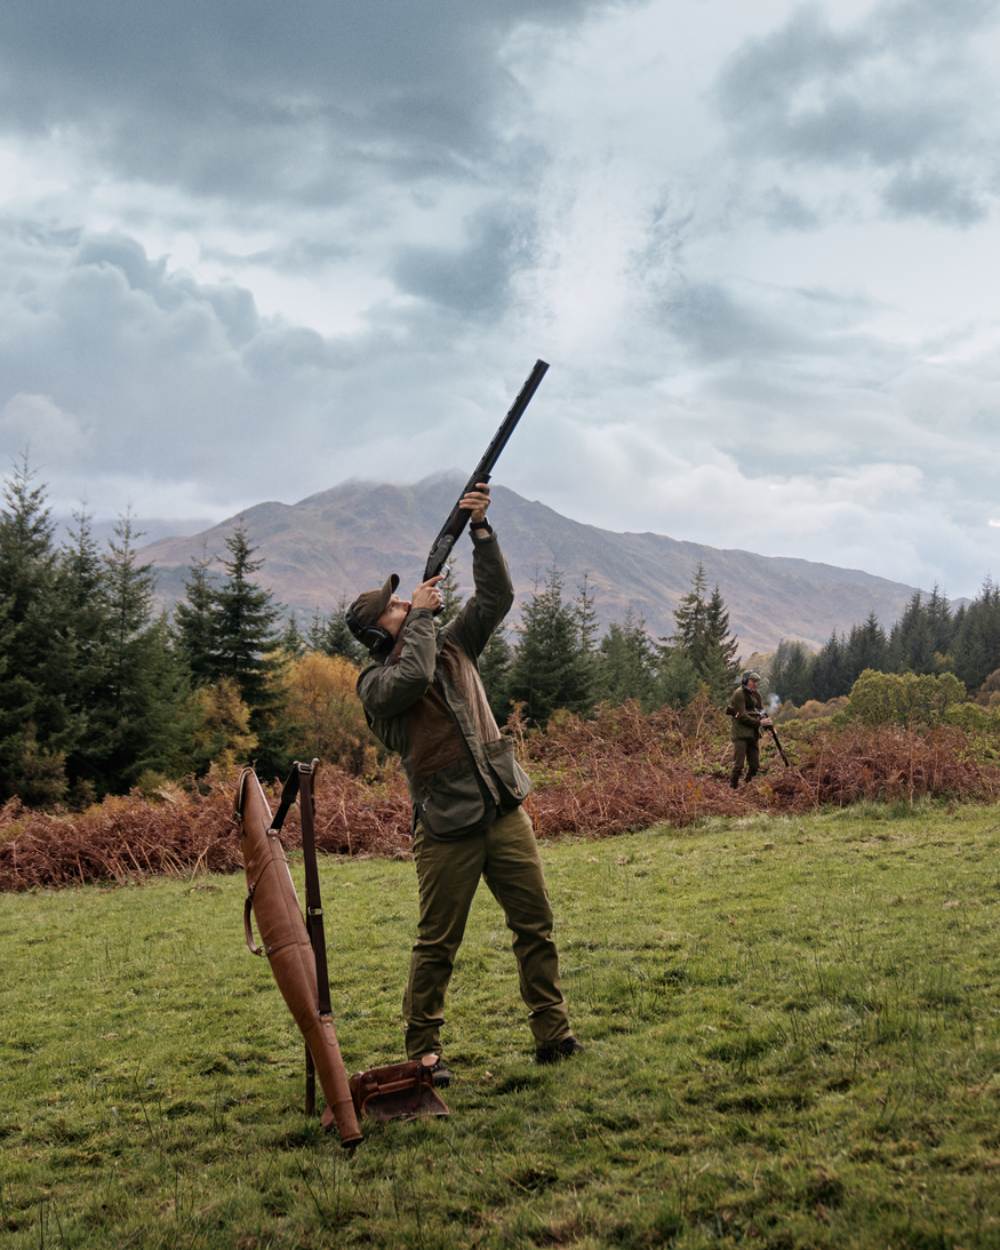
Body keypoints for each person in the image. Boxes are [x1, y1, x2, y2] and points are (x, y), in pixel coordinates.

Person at [346, 483, 580, 1083]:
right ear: (379, 634)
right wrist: (422, 618)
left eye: (405, 603)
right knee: (437, 946)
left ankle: (553, 1035)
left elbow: (496, 597)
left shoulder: (451, 643)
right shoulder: (375, 687)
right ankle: (424, 1053)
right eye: (396, 608)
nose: (409, 604)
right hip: (446, 828)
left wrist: (479, 531)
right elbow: (413, 674)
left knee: (535, 925)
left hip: (503, 810)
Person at [727, 669, 771, 788]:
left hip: (753, 734)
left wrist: (768, 724)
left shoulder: (756, 695)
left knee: (755, 766)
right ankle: (732, 789)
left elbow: (761, 711)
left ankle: (746, 786)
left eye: (756, 681)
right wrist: (760, 722)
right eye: (752, 681)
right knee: (739, 766)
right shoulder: (739, 694)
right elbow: (742, 717)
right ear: (746, 681)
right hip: (740, 734)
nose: (755, 684)